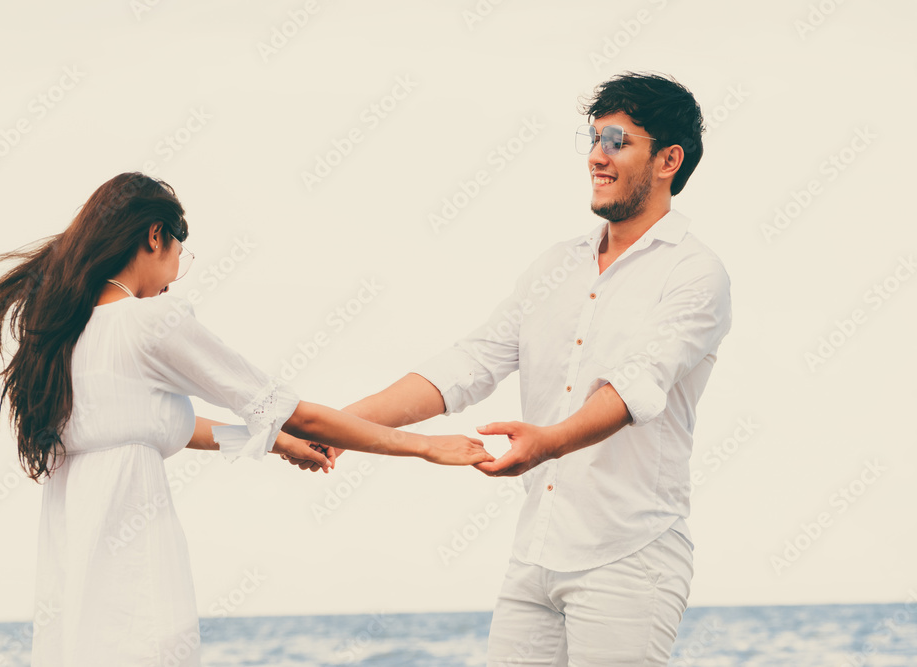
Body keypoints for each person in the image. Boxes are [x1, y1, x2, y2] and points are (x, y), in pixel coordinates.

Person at [0, 172, 493, 666]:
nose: (175, 274)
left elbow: (159, 428)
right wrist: (423, 447)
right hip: (136, 563)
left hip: (71, 576)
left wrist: (273, 443)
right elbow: (297, 411)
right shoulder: (152, 323)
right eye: (178, 254)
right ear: (154, 235)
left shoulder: (60, 339)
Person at [287, 72, 733, 665]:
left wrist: (548, 441)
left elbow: (635, 386)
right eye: (594, 139)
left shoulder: (695, 273)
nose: (597, 157)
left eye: (617, 142)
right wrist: (333, 424)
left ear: (667, 160)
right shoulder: (557, 263)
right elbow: (469, 363)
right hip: (535, 556)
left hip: (631, 558)